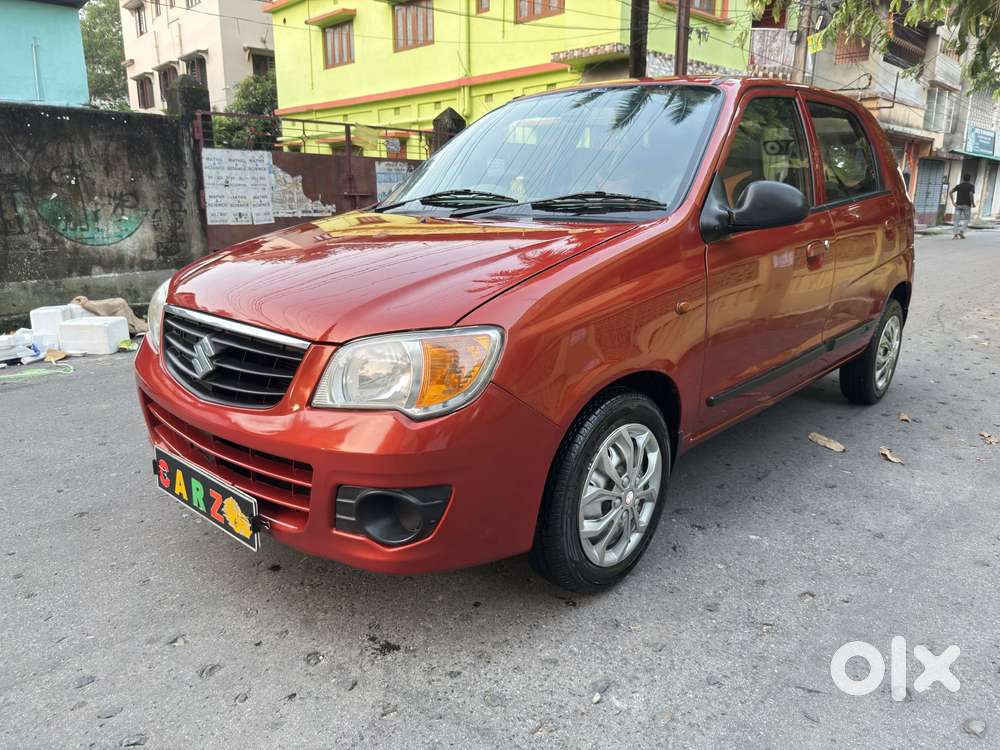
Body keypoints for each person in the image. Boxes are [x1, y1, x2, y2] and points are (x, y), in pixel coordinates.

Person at [950, 174, 975, 239]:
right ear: (969, 179)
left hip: (958, 205)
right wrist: (972, 203)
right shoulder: (971, 186)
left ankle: (955, 235)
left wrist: (953, 202)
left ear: (963, 178)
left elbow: (950, 192)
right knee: (967, 219)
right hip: (966, 205)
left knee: (956, 220)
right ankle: (961, 232)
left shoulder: (959, 186)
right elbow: (971, 194)